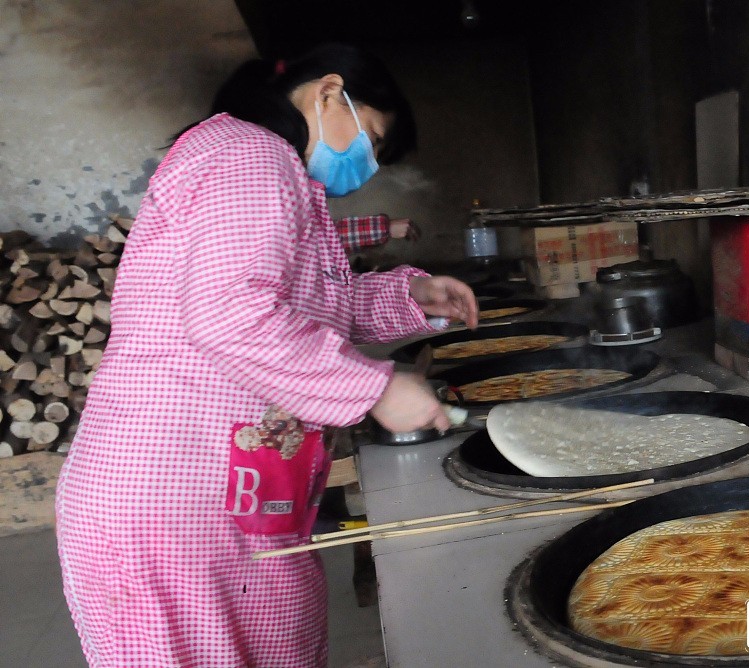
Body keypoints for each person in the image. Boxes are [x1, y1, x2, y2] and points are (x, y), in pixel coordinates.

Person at [55, 43, 477, 667]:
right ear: (329, 93)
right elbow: (232, 314)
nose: (369, 162)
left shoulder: (275, 173)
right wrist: (378, 389)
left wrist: (409, 293)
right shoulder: (249, 156)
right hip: (171, 498)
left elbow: (303, 303)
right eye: (374, 139)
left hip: (230, 497)